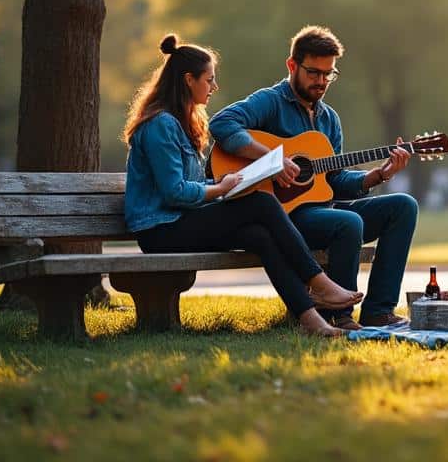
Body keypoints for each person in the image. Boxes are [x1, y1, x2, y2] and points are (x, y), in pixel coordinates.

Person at [124, 34, 363, 337]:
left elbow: (191, 184)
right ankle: (320, 283)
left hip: (181, 221)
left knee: (259, 235)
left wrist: (220, 184)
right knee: (261, 203)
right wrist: (221, 189)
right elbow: (175, 192)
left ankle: (311, 321)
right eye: (209, 80)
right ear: (188, 80)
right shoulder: (161, 124)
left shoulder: (183, 122)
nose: (214, 87)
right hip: (160, 230)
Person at [209, 26, 417, 329]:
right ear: (292, 66)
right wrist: (272, 160)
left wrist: (378, 175)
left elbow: (333, 181)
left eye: (328, 74)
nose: (321, 81)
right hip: (281, 216)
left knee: (403, 206)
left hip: (320, 210)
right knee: (348, 222)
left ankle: (378, 310)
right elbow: (222, 123)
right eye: (313, 72)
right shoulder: (270, 101)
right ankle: (339, 316)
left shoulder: (329, 119)